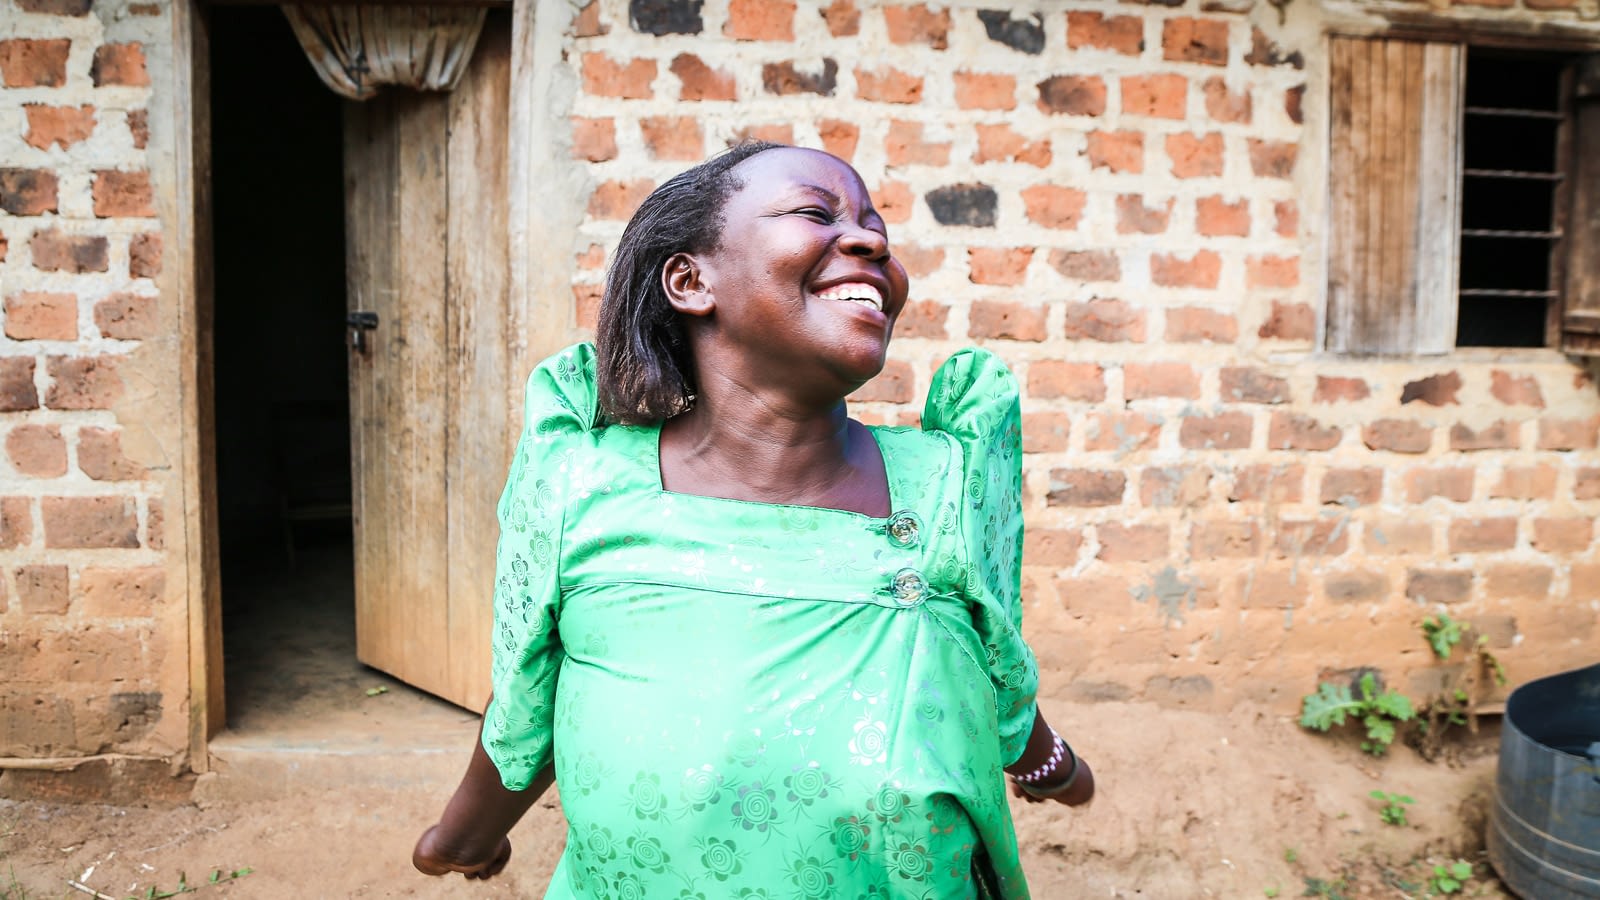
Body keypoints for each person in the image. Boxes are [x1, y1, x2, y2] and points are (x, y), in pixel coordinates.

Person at [412, 142, 1094, 898]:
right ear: (691, 279)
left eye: (876, 228)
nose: (871, 242)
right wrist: (462, 837)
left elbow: (983, 660)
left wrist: (1046, 763)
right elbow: (527, 699)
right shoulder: (586, 487)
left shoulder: (942, 483)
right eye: (815, 213)